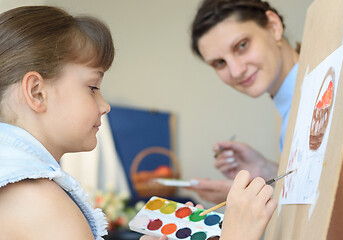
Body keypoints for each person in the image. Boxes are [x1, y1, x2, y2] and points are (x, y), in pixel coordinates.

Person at [0, 5, 276, 240]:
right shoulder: (37, 201)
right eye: (93, 87)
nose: (104, 105)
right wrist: (238, 233)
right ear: (37, 92)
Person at [187, 0, 343, 239]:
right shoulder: (292, 106)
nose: (236, 71)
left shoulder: (322, 93)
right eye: (220, 63)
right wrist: (264, 170)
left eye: (242, 45)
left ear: (274, 26)